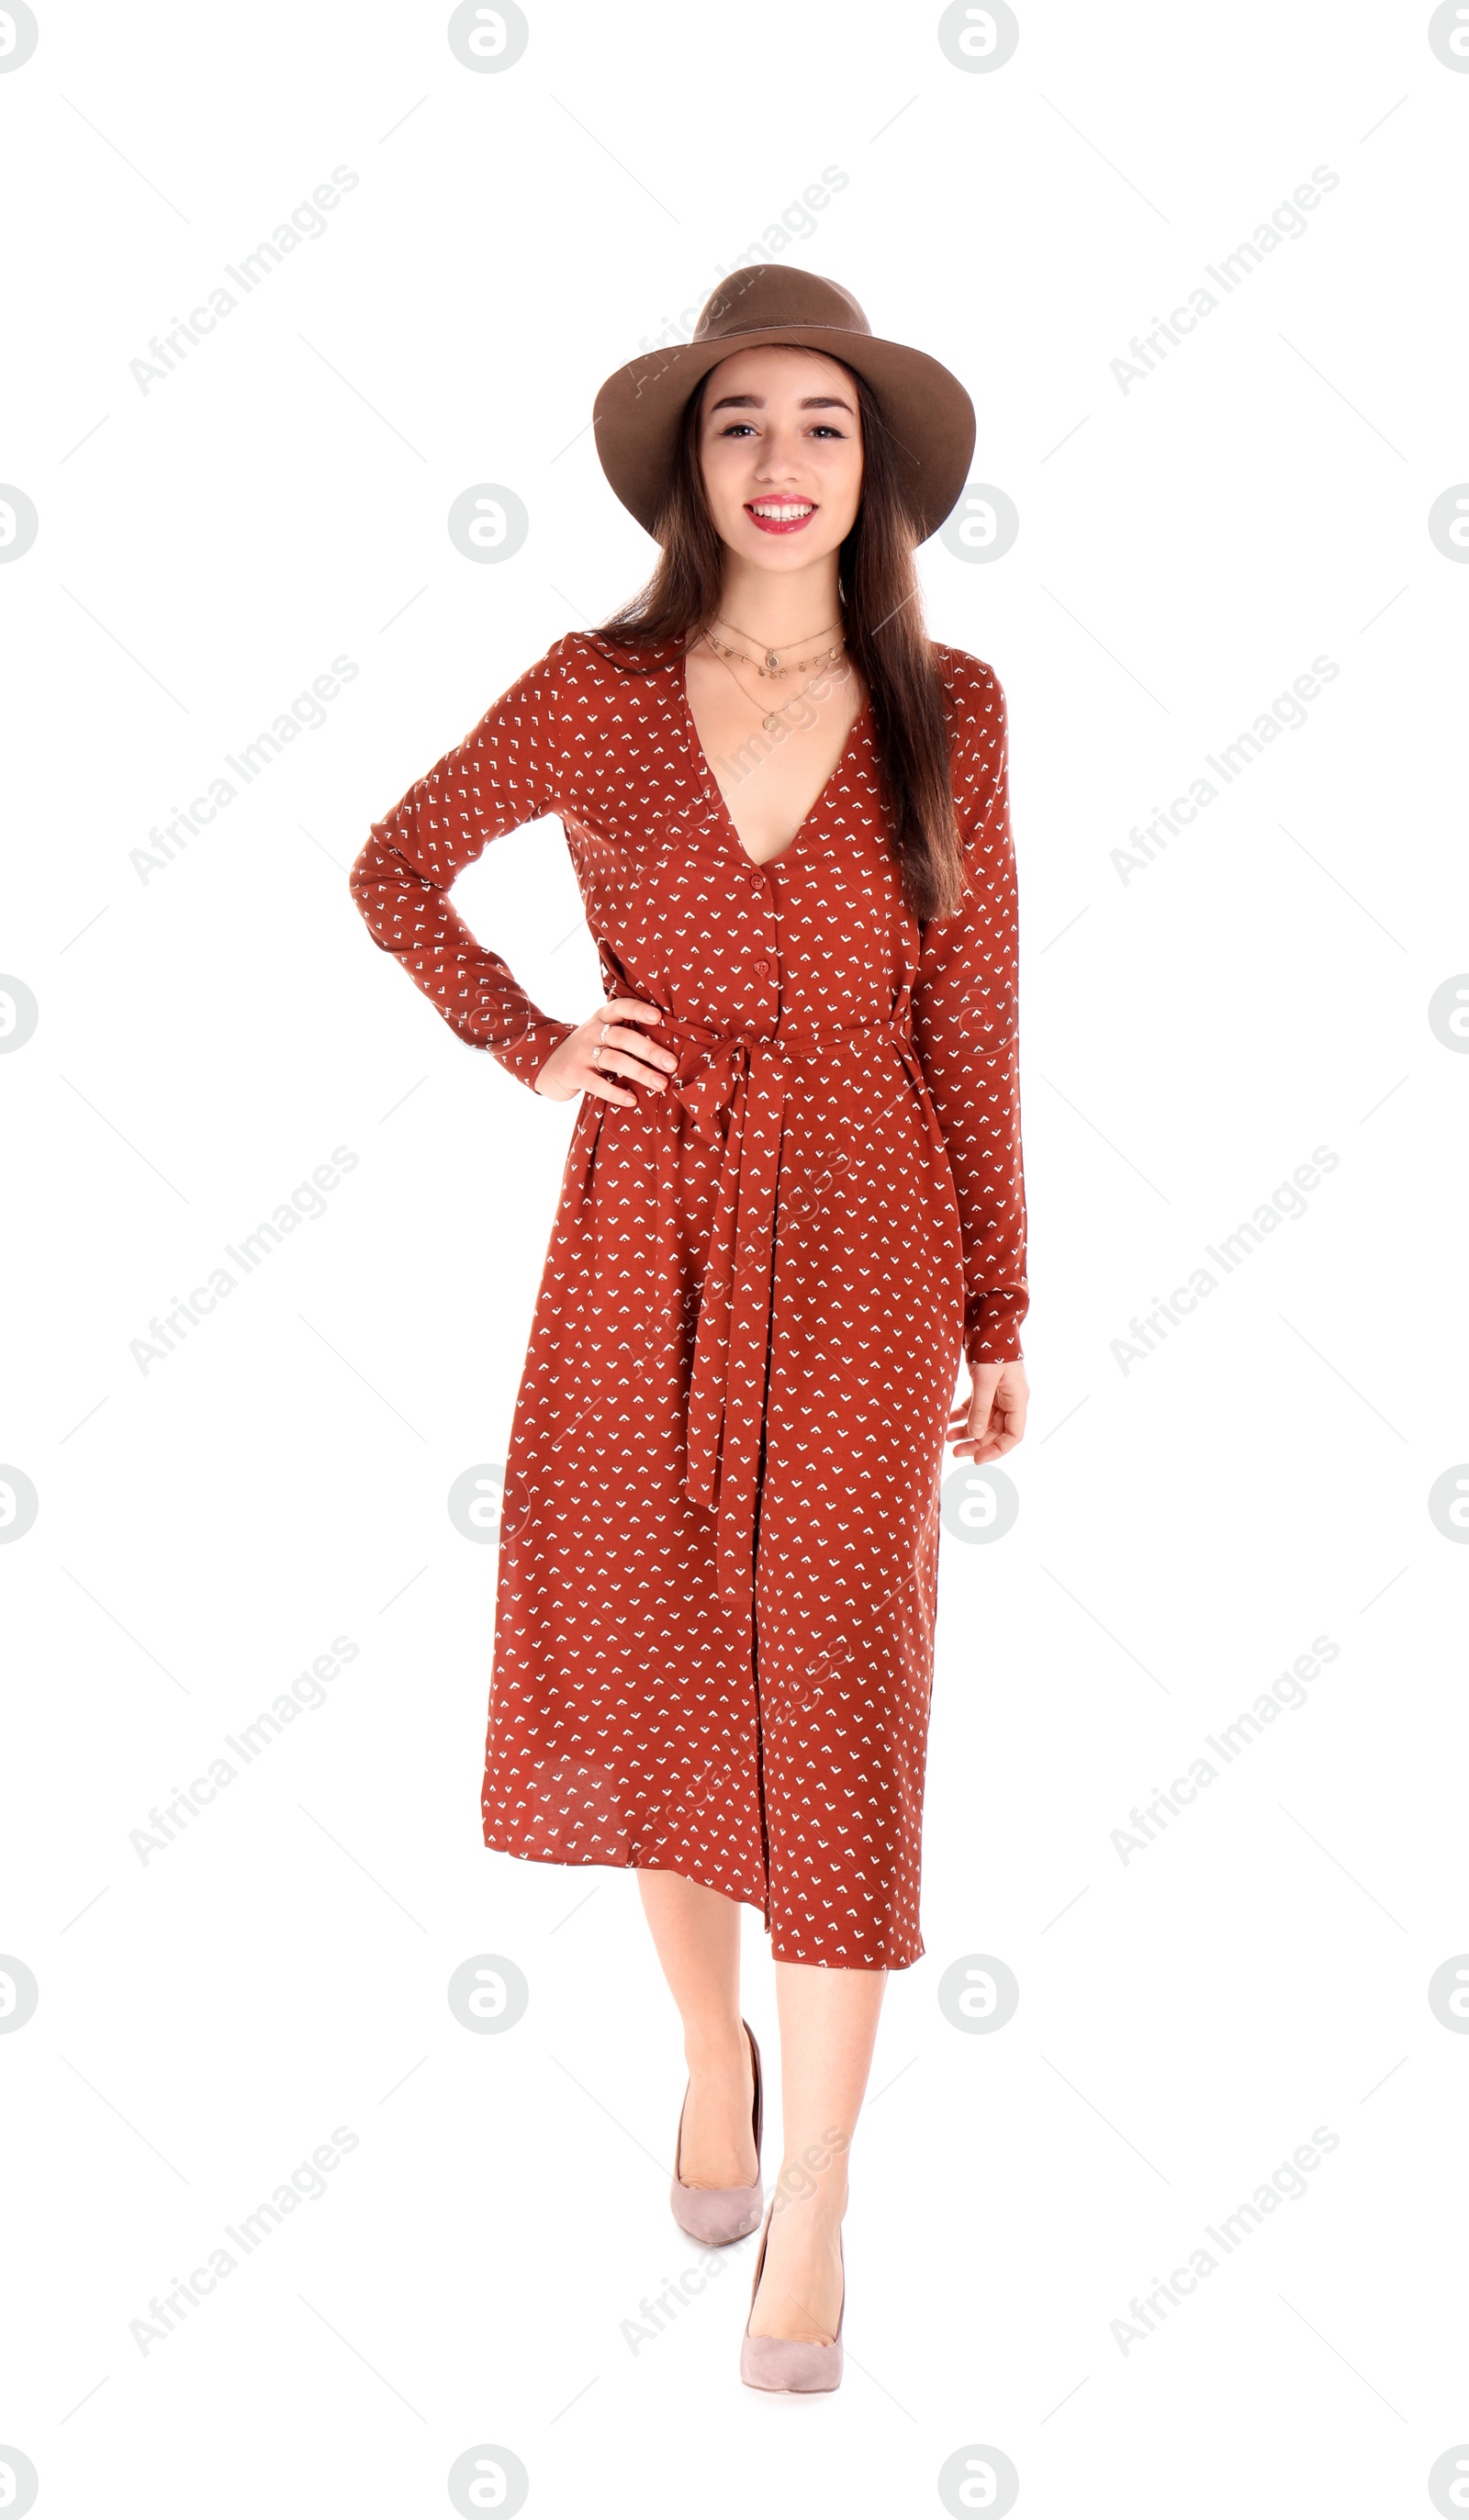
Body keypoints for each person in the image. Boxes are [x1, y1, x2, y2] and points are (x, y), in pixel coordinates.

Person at [349, 263, 1029, 2393]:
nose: (779, 463)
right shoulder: (592, 689)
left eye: (820, 426)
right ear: (685, 462)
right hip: (641, 1214)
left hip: (863, 1224)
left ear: (875, 469)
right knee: (643, 1650)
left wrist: (1001, 1295)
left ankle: (811, 2188)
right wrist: (534, 1041)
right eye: (738, 424)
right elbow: (393, 869)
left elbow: (971, 1014)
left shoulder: (956, 707)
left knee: (831, 1685)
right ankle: (704, 2059)